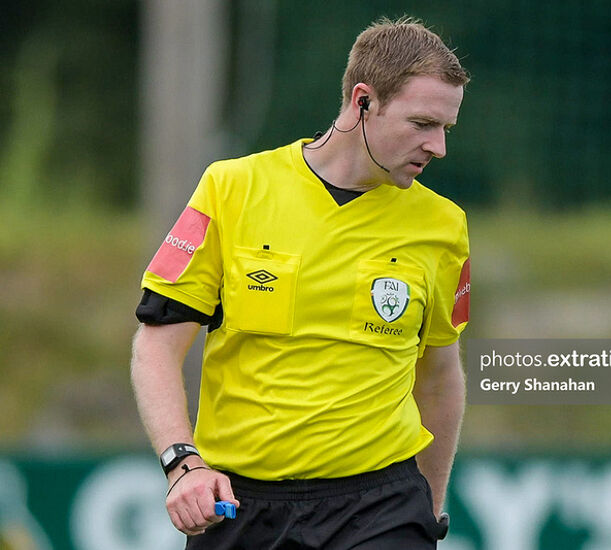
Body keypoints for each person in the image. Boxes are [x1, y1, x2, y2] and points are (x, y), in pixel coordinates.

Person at [130, 16, 471, 550]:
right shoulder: (232, 188)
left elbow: (440, 376)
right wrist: (182, 463)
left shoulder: (444, 225)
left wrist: (429, 508)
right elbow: (156, 346)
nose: (438, 147)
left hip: (380, 505)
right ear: (363, 101)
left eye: (445, 128)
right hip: (241, 506)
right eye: (423, 123)